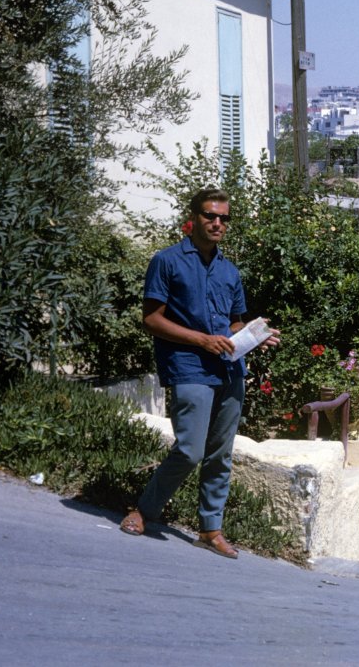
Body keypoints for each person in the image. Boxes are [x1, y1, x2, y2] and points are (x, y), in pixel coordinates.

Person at [119, 188, 278, 559]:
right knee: (190, 450)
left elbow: (234, 323)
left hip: (229, 370)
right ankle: (143, 511)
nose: (217, 223)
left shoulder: (229, 270)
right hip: (189, 367)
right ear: (194, 218)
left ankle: (210, 529)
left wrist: (255, 335)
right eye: (210, 216)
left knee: (220, 453)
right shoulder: (167, 261)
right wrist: (202, 341)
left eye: (224, 218)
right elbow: (151, 319)